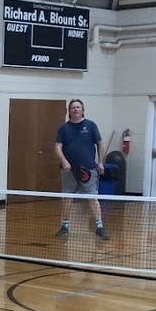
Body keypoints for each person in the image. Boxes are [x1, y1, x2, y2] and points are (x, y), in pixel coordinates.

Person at [54, 99, 108, 240]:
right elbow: (57, 147)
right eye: (73, 108)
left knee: (92, 199)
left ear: (82, 109)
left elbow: (100, 144)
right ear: (69, 111)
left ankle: (99, 226)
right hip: (69, 171)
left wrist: (100, 162)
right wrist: (64, 161)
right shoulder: (63, 129)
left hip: (89, 170)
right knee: (67, 199)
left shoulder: (90, 126)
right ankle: (64, 226)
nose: (76, 110)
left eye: (78, 107)